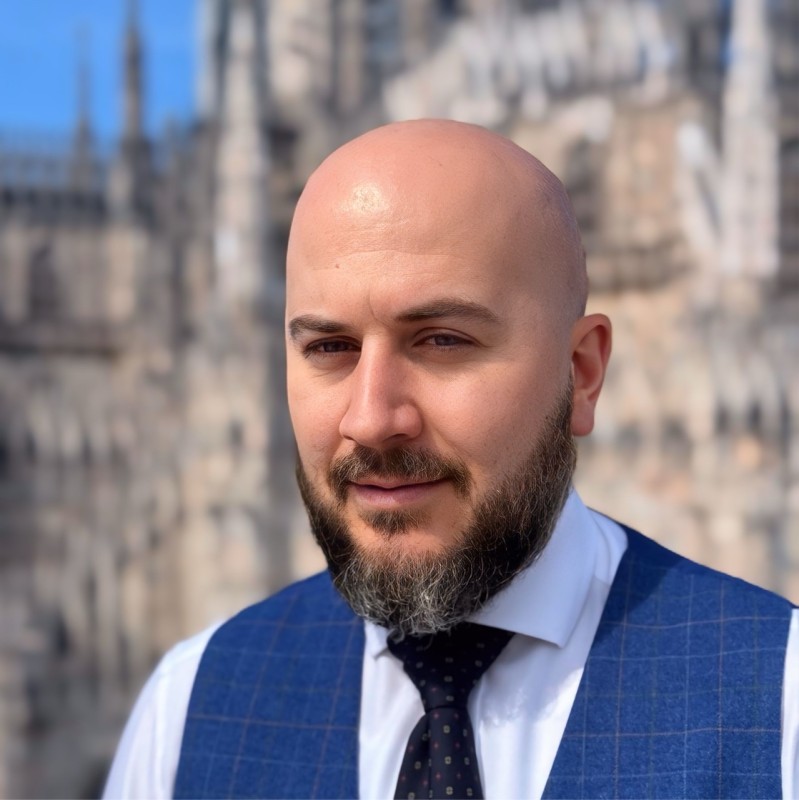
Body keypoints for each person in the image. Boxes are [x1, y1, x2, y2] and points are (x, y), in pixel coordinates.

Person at [103, 120, 799, 799]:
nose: (371, 419)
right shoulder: (187, 712)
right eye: (329, 348)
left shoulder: (778, 703)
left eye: (442, 341)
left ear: (581, 374)